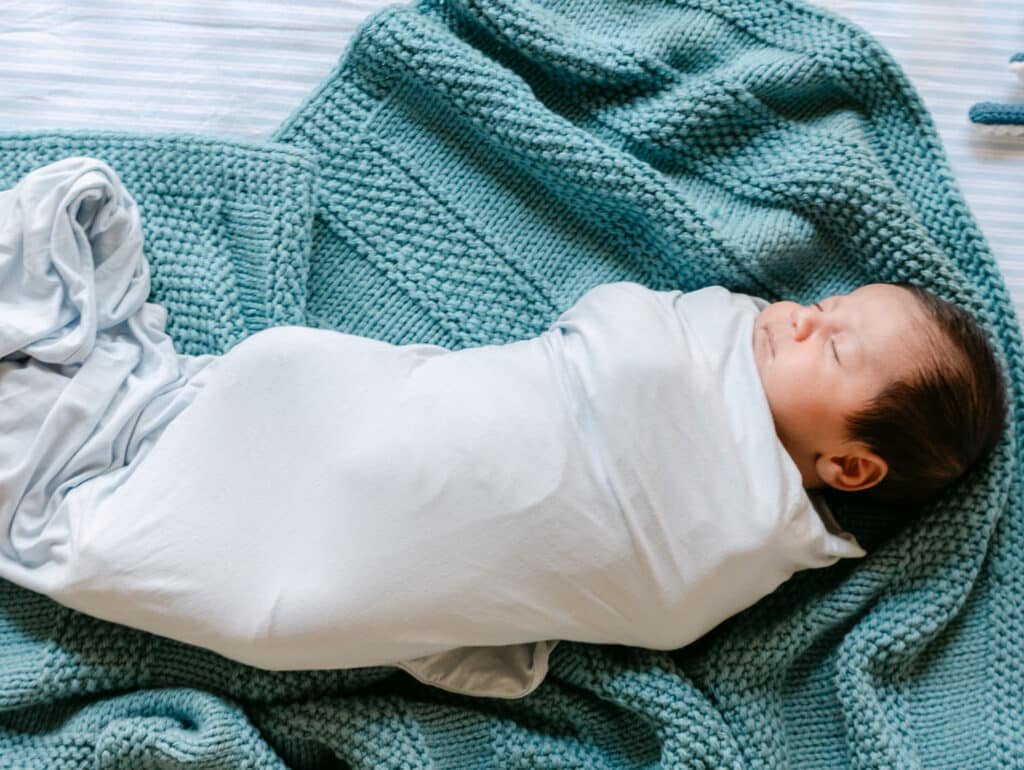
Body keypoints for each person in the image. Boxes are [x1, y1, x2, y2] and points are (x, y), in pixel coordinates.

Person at [0, 157, 1007, 699]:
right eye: (824, 304)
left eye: (833, 346)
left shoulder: (738, 548)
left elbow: (625, 351)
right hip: (345, 451)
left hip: (322, 578)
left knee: (253, 518)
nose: (795, 316)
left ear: (850, 465)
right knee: (288, 398)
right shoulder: (720, 382)